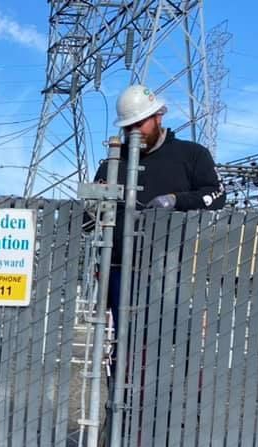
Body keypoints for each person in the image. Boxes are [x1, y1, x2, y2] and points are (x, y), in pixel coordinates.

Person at [94, 84, 226, 333]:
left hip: (175, 268)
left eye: (140, 124)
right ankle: (124, 372)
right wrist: (95, 205)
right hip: (122, 270)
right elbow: (90, 222)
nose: (134, 133)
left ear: (158, 117)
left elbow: (216, 195)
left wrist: (176, 200)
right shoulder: (113, 164)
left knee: (175, 340)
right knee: (127, 339)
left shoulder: (191, 155)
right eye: (128, 127)